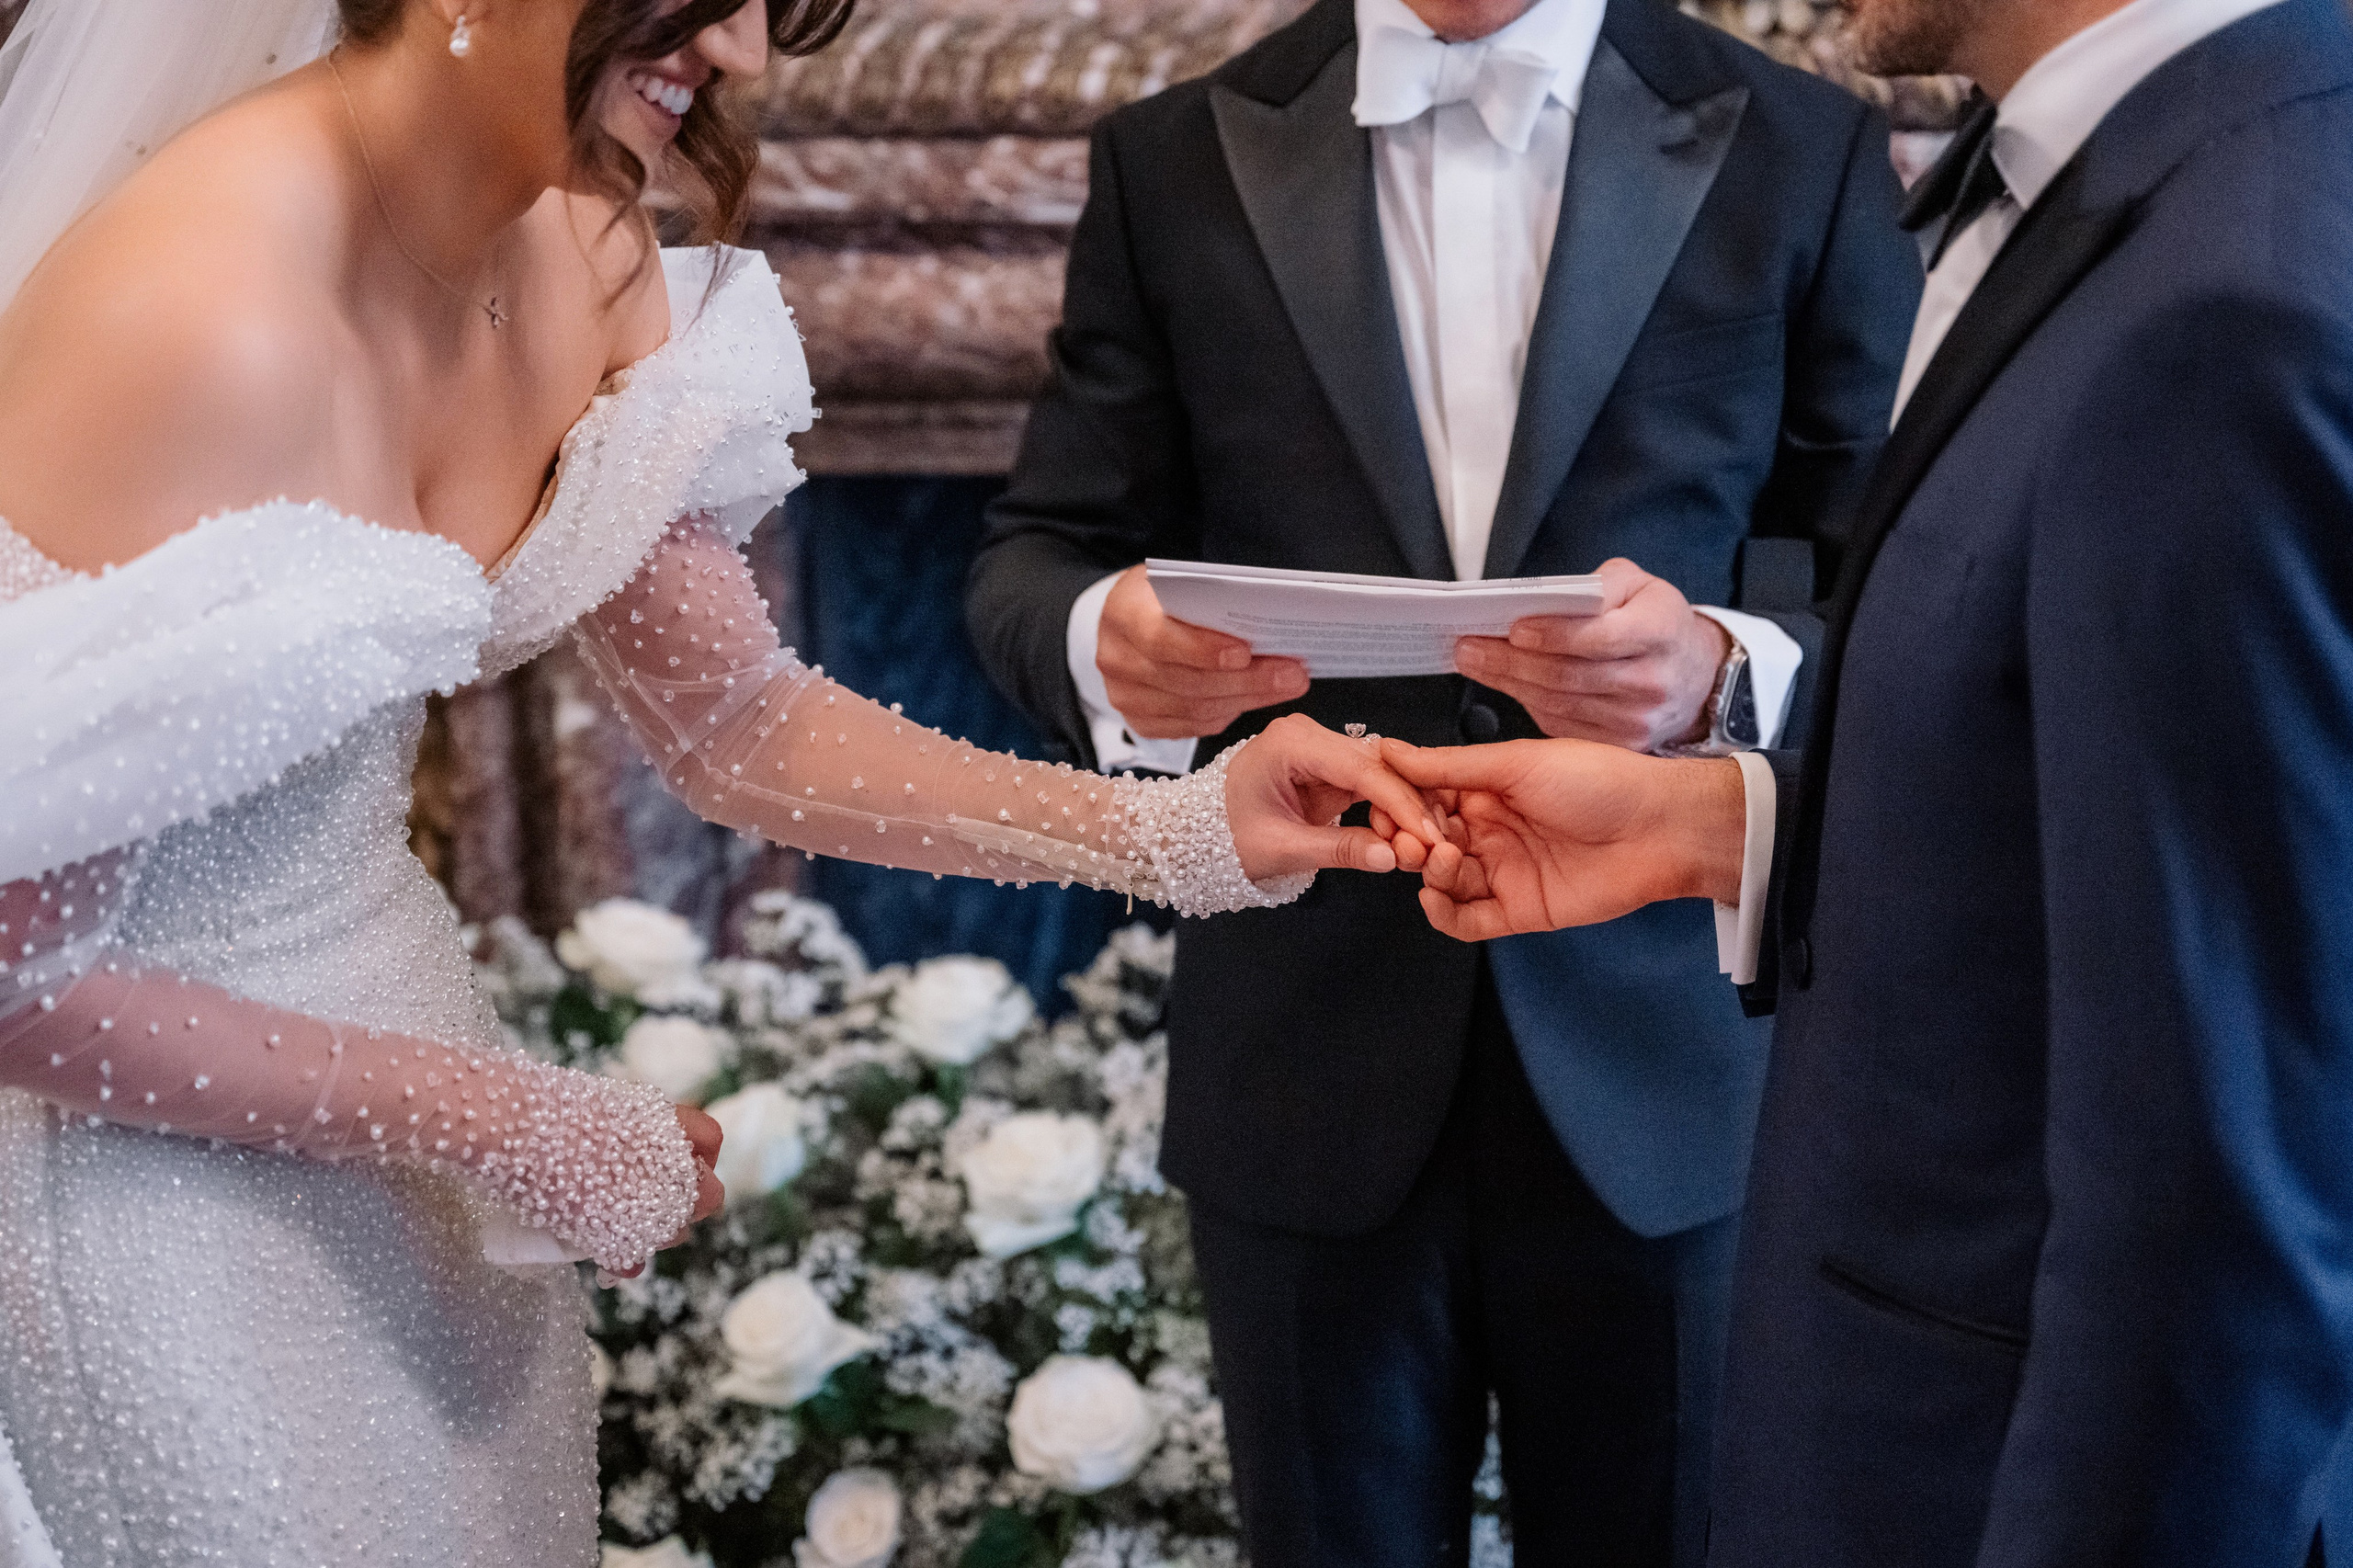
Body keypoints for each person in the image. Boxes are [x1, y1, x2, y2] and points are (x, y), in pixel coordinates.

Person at [0, 0, 1438, 1562]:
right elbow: (20, 978)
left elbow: (740, 720)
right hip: (158, 1186)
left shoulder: (584, 239)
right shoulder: (203, 319)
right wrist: (504, 1123)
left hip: (415, 1130)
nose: (744, 51)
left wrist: (1180, 830)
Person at [1380, 0, 2353, 1559]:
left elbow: (2216, 1216)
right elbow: (2091, 799)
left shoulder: (2231, 296)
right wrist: (1730, 826)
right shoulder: (2180, 176)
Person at [961, 0, 1919, 1559]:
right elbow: (1038, 553)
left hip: (1673, 1062)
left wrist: (1723, 668)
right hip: (1300, 1055)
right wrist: (1101, 638)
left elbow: (1907, 568)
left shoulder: (1803, 148)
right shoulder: (1173, 155)